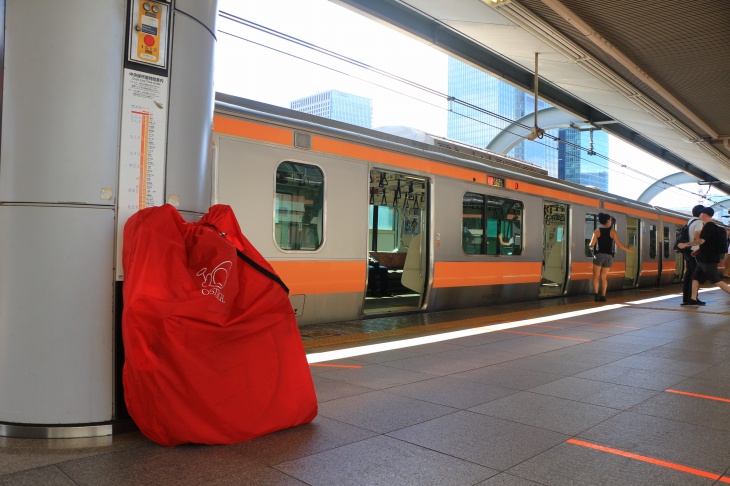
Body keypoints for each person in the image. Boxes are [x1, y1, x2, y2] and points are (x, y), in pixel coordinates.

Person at [678, 207, 730, 305]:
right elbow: (708, 244)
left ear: (705, 214)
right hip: (704, 258)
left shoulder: (709, 226)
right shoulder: (709, 226)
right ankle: (693, 299)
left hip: (709, 260)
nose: (700, 215)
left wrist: (685, 244)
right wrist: (698, 251)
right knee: (695, 277)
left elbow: (701, 241)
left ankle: (693, 299)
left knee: (716, 280)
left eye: (701, 213)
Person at [588, 213, 634, 302]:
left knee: (595, 276)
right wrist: (629, 250)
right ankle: (603, 296)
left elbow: (592, 244)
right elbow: (619, 245)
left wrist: (589, 245)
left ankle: (596, 295)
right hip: (609, 256)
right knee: (603, 277)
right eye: (610, 220)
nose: (611, 221)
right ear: (608, 221)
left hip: (599, 255)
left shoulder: (597, 231)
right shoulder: (613, 232)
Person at [680, 205, 705, 306]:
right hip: (693, 251)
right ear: (701, 213)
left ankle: (686, 299)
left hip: (687, 252)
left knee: (689, 275)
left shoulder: (689, 221)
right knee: (695, 276)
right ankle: (693, 298)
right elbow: (696, 238)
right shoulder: (698, 222)